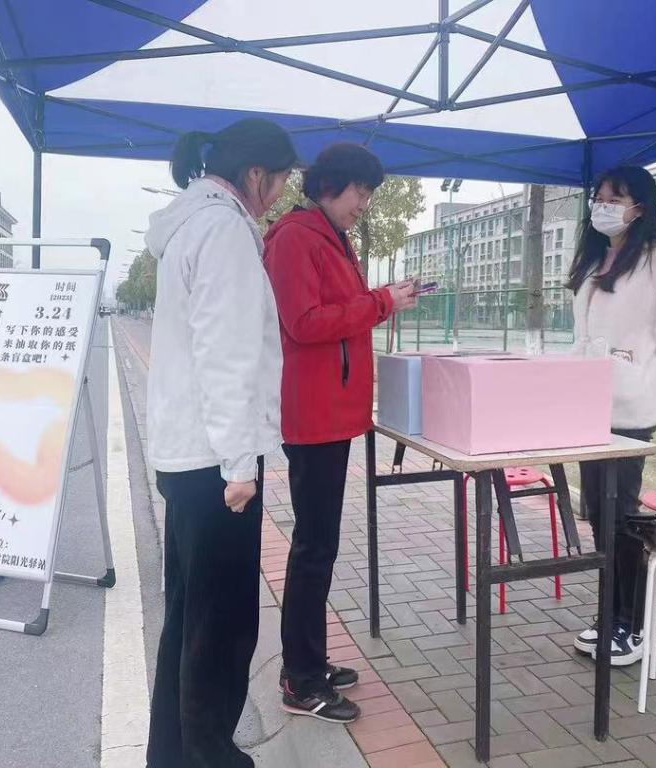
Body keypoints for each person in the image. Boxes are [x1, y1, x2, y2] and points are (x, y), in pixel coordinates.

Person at [143, 118, 297, 768]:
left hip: (187, 455)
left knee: (189, 620)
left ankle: (173, 754)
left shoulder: (186, 227)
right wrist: (240, 466)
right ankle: (207, 758)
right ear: (256, 175)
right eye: (280, 182)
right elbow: (227, 357)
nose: (279, 196)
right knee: (222, 628)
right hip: (215, 464)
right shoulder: (225, 231)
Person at [263, 143, 417, 723]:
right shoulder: (295, 238)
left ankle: (310, 660)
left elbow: (341, 310)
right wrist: (381, 302)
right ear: (330, 184)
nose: (365, 204)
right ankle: (300, 679)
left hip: (331, 412)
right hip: (312, 416)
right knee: (313, 547)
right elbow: (303, 323)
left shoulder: (330, 237)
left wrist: (379, 301)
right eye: (361, 191)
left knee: (319, 545)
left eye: (370, 194)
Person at [567, 165, 656, 667]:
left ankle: (634, 625)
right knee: (599, 516)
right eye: (599, 197)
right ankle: (611, 615)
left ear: (639, 208)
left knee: (622, 517)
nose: (603, 206)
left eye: (615, 198)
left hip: (629, 407)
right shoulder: (596, 258)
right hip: (588, 406)